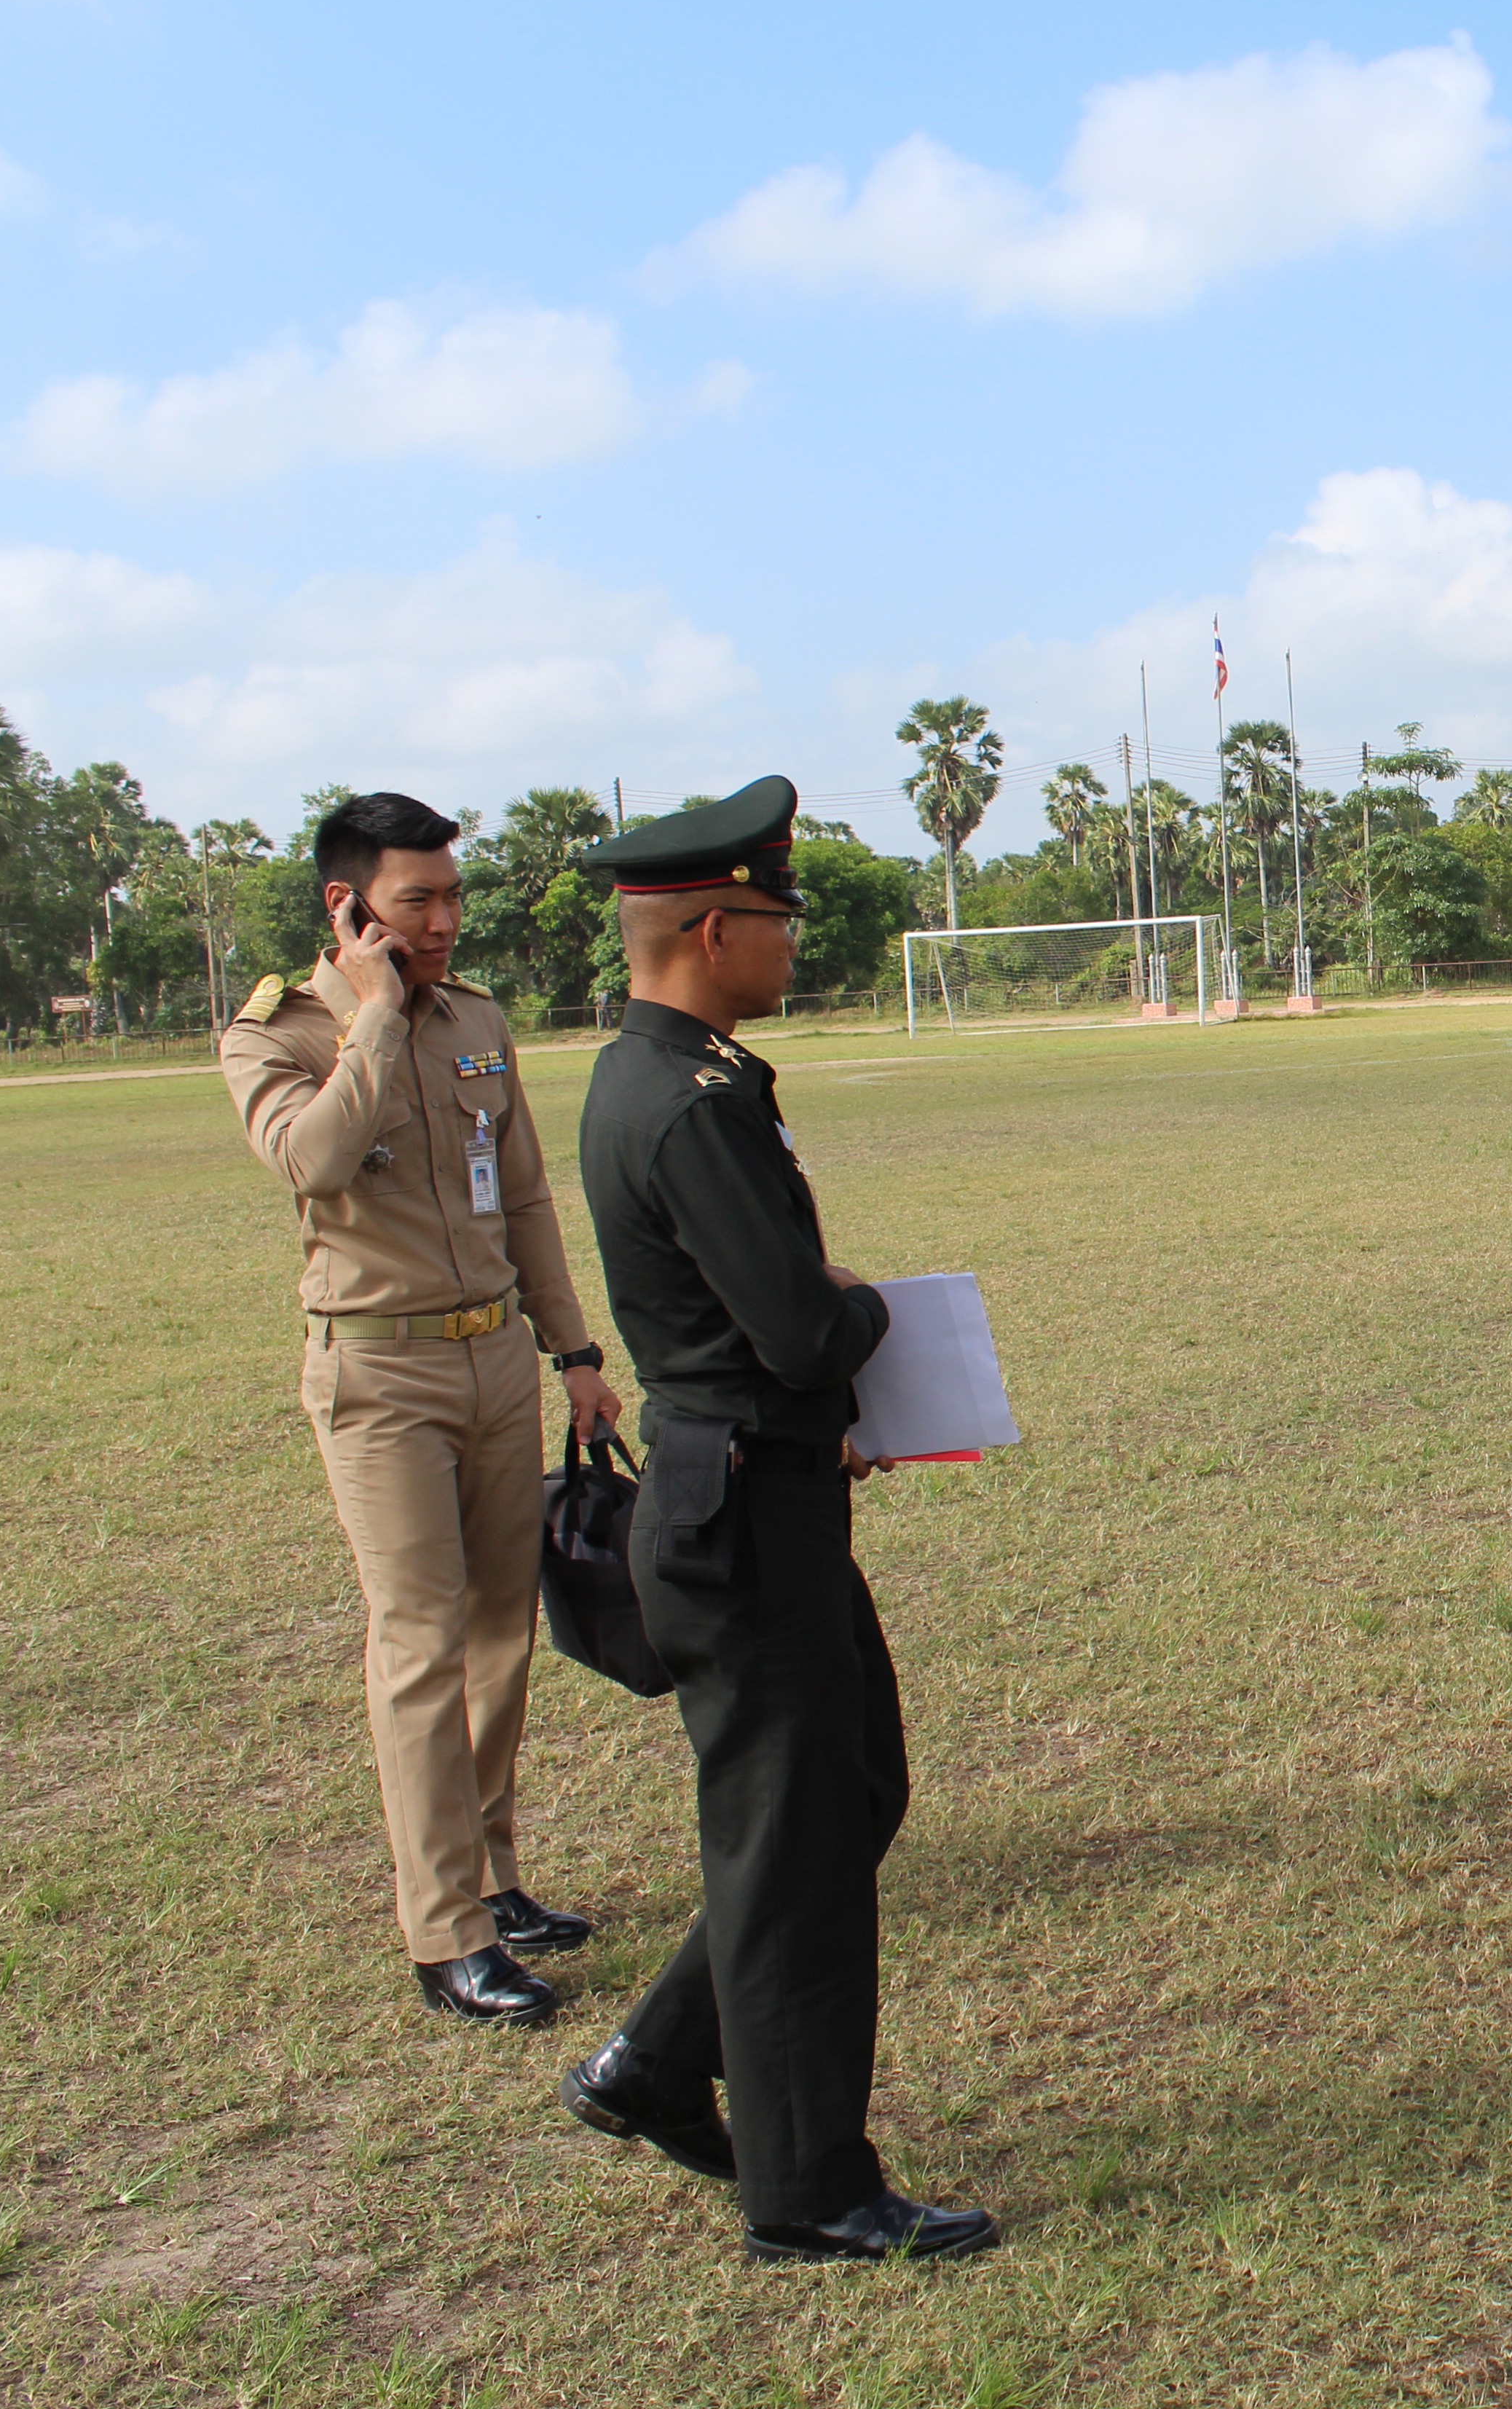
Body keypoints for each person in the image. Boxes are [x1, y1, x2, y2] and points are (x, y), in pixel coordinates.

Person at [558, 777, 997, 2265]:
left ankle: (658, 2064)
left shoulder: (672, 1077)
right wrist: (878, 1310)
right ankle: (808, 2193)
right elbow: (806, 1336)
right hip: (744, 1513)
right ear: (704, 926)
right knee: (796, 1839)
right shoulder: (685, 1103)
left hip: (756, 1490)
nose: (790, 941)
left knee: (844, 1797)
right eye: (773, 916)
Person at [221, 790, 624, 2025]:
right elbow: (314, 1160)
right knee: (418, 1645)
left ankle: (495, 1881)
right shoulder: (274, 1037)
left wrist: (573, 1350)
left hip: (495, 1359)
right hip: (377, 1371)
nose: (445, 919)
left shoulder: (480, 1021)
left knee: (500, 1635)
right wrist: (377, 1017)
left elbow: (529, 1202)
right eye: (418, 900)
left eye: (452, 894)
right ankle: (442, 1931)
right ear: (346, 907)